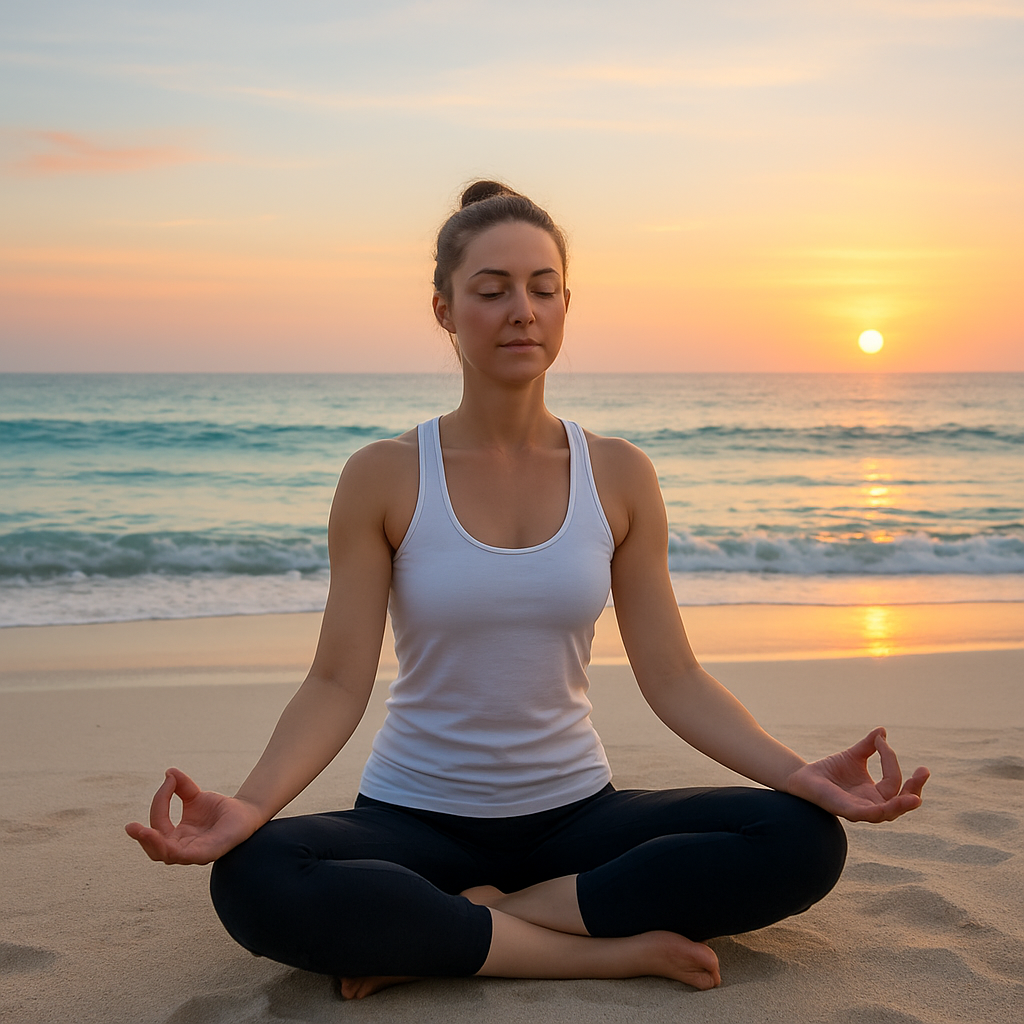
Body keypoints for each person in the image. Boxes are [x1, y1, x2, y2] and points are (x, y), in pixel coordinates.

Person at [126, 181, 930, 999]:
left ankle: (460, 925)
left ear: (566, 304)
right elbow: (336, 681)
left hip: (576, 818)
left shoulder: (618, 474)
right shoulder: (384, 475)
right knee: (254, 876)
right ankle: (596, 949)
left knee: (801, 838)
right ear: (443, 309)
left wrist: (800, 775)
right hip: (413, 817)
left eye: (543, 289)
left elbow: (675, 678)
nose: (523, 310)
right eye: (492, 290)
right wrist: (253, 805)